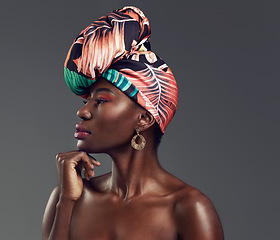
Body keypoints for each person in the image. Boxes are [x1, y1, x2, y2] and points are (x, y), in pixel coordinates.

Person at [42, 6, 224, 240]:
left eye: (101, 100)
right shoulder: (67, 197)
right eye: (88, 100)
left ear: (144, 118)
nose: (82, 111)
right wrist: (66, 202)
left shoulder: (189, 208)